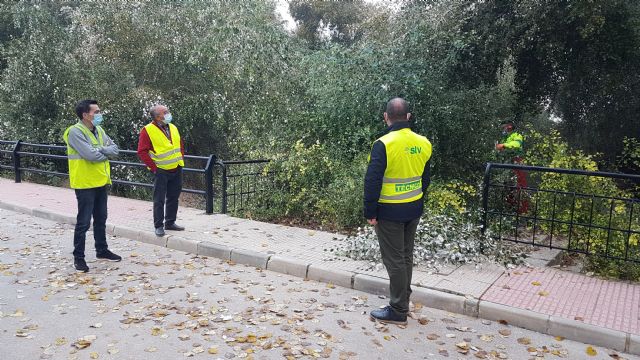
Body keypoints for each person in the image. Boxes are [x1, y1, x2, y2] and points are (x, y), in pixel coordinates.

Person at [364, 98, 432, 325]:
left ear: (386, 117)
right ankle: (404, 298)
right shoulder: (424, 142)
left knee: (395, 261)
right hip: (413, 208)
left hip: (389, 212)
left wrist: (370, 212)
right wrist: (416, 199)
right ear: (408, 116)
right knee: (405, 256)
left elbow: (372, 181)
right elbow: (425, 178)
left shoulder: (383, 144)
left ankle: (398, 309)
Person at [63, 99, 122, 273]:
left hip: (100, 181)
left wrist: (100, 150)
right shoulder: (75, 132)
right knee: (83, 222)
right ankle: (79, 258)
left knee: (101, 218)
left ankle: (101, 250)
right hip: (85, 183)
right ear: (85, 115)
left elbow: (115, 149)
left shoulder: (99, 130)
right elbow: (90, 155)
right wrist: (103, 151)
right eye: (96, 112)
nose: (99, 114)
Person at [137, 104, 185, 237]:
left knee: (173, 197)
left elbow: (179, 144)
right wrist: (154, 168)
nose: (168, 113)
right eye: (165, 112)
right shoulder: (147, 130)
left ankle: (170, 222)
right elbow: (142, 152)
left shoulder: (173, 127)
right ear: (158, 117)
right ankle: (158, 225)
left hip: (176, 167)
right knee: (159, 199)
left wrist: (181, 158)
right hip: (161, 170)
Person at [495, 119, 529, 214]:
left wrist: (504, 145)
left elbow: (517, 144)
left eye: (504, 126)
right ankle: (510, 210)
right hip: (508, 162)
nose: (503, 129)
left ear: (509, 126)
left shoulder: (517, 135)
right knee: (508, 185)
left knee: (520, 186)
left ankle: (523, 212)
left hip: (517, 162)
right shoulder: (505, 137)